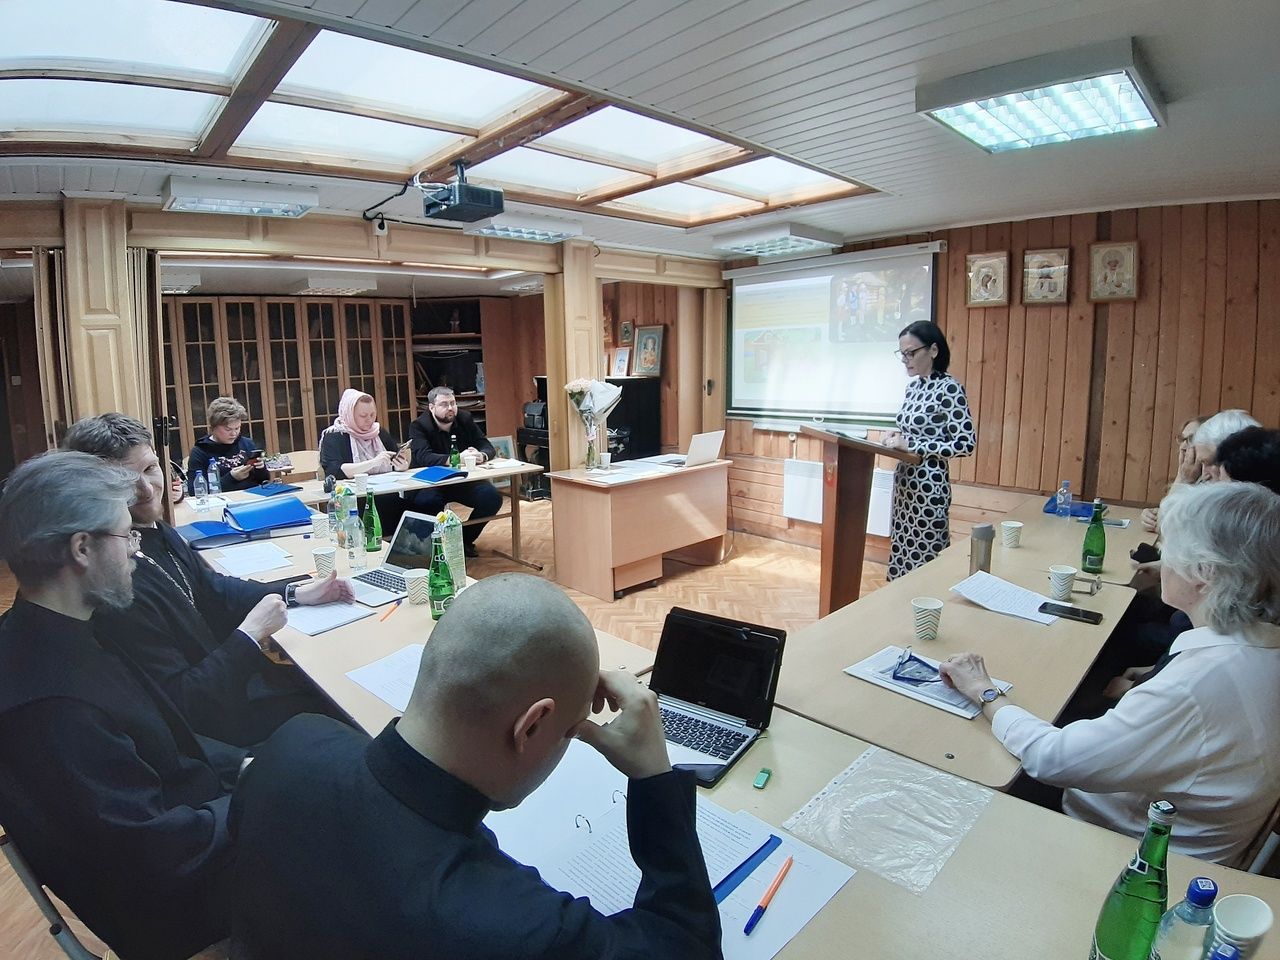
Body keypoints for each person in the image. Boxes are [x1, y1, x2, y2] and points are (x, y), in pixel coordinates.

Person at [229, 573, 722, 960]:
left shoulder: (292, 745)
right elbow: (686, 947)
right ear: (531, 726)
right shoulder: (520, 927)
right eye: (571, 733)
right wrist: (654, 777)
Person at [940, 482, 1280, 865]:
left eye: (1170, 548)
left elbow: (1054, 759)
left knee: (959, 773)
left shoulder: (1198, 684)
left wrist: (984, 691)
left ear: (1204, 572)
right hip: (1180, 829)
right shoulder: (1260, 646)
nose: (1164, 559)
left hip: (1127, 850)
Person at [0, 452, 238, 959]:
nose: (136, 549)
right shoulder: (52, 706)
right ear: (82, 548)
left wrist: (247, 766)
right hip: (188, 901)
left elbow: (165, 742)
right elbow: (154, 850)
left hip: (196, 822)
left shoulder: (59, 630)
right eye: (126, 535)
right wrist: (263, 793)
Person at [65, 413, 353, 747]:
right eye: (125, 480)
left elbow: (213, 589)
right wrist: (251, 634)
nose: (146, 489)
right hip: (219, 722)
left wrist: (296, 592)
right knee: (336, 705)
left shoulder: (156, 531)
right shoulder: (116, 580)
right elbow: (185, 703)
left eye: (150, 468)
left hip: (231, 680)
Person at [881, 320, 976, 580]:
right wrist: (895, 435)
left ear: (933, 350)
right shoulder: (913, 388)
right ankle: (899, 600)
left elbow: (965, 443)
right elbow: (914, 431)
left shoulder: (949, 388)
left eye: (911, 353)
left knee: (926, 560)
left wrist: (913, 445)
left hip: (929, 486)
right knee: (902, 551)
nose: (905, 360)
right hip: (905, 483)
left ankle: (926, 601)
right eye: (902, 354)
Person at [407, 386, 501, 557]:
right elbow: (423, 457)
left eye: (453, 403)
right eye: (444, 404)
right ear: (431, 407)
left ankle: (463, 541)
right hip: (431, 482)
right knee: (428, 501)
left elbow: (486, 445)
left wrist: (481, 455)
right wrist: (456, 458)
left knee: (491, 497)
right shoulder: (419, 426)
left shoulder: (464, 419)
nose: (450, 408)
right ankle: (432, 547)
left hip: (460, 480)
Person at [319, 388, 412, 533]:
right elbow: (334, 471)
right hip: (353, 503)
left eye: (372, 414)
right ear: (349, 414)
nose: (369, 420)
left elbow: (393, 458)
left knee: (418, 510)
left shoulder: (378, 432)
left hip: (385, 494)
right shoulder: (334, 436)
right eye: (363, 416)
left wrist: (401, 465)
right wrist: (373, 462)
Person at [1140, 414, 1209, 532]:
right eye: (1182, 439)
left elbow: (1167, 525)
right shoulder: (1190, 476)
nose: (1183, 447)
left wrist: (1184, 478)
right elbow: (1164, 516)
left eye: (1191, 439)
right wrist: (1150, 517)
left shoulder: (1212, 481)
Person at [187, 396, 270, 493]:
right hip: (222, 500)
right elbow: (195, 491)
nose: (234, 434)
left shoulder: (247, 443)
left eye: (237, 428)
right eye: (228, 429)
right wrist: (231, 478)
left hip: (253, 496)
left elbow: (263, 480)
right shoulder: (200, 451)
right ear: (213, 427)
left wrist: (261, 468)